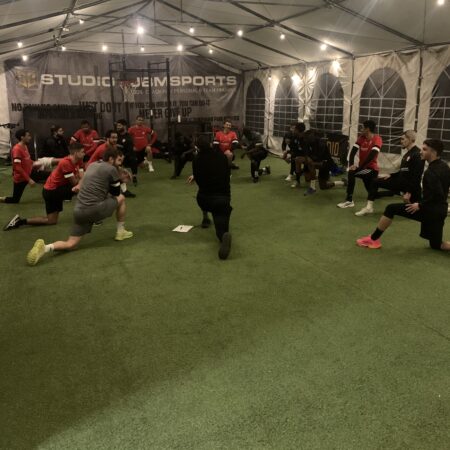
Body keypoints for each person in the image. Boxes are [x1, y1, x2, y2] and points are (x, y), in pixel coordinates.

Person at [26, 148, 133, 266]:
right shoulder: (111, 169)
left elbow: (87, 182)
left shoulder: (92, 165)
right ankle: (120, 231)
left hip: (78, 211)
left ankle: (45, 248)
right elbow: (116, 193)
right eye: (118, 160)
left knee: (71, 244)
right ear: (111, 159)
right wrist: (121, 181)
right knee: (121, 198)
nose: (119, 164)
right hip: (93, 209)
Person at [356, 139, 450, 251]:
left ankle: (373, 239)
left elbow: (437, 194)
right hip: (440, 211)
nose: (421, 151)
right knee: (436, 245)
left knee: (391, 208)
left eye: (424, 149)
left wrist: (420, 205)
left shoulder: (430, 172)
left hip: (431, 211)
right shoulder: (444, 166)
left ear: (433, 152)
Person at [4, 143, 85, 230]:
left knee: (51, 221)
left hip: (57, 188)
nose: (84, 153)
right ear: (76, 153)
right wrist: (81, 179)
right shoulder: (66, 163)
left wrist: (81, 179)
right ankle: (90, 216)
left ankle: (19, 221)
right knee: (82, 188)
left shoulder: (79, 161)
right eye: (82, 152)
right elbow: (75, 183)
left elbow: (82, 176)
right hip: (52, 192)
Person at [354, 129, 424, 216]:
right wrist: (391, 175)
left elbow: (417, 176)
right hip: (402, 183)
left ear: (410, 139)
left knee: (419, 210)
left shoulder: (417, 154)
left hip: (410, 187)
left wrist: (408, 192)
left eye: (403, 139)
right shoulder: (407, 154)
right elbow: (403, 171)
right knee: (375, 181)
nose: (401, 141)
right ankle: (369, 208)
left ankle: (398, 192)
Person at [188, 135, 232, 260]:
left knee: (203, 194)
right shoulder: (222, 157)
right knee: (221, 226)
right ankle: (223, 235)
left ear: (197, 148)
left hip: (204, 199)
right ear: (211, 144)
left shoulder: (196, 160)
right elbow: (227, 172)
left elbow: (198, 179)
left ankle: (205, 217)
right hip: (222, 200)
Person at [337, 119, 382, 209]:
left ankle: (349, 201)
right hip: (364, 168)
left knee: (352, 173)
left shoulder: (377, 139)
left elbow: (371, 156)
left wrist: (360, 168)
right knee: (373, 193)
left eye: (362, 127)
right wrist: (351, 165)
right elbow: (352, 152)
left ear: (367, 129)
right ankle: (394, 192)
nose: (361, 129)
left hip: (372, 170)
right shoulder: (361, 138)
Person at [302, 129, 346, 195]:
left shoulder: (321, 144)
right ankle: (342, 182)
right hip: (317, 162)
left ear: (312, 136)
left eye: (307, 137)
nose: (306, 139)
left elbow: (320, 159)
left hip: (325, 163)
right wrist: (307, 158)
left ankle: (312, 188)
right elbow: (306, 154)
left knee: (322, 186)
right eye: (306, 138)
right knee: (323, 186)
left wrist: (310, 161)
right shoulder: (308, 142)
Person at [0, 129, 35, 204]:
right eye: (28, 136)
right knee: (15, 200)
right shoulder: (17, 149)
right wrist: (29, 180)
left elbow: (28, 160)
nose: (30, 137)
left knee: (48, 175)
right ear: (22, 137)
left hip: (29, 173)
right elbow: (17, 167)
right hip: (21, 178)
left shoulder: (25, 146)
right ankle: (1, 198)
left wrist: (37, 163)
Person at [115, 119, 136, 197]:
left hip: (122, 158)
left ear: (124, 126)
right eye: (117, 125)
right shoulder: (115, 135)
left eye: (119, 125)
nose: (117, 127)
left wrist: (122, 157)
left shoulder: (128, 138)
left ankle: (124, 190)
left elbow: (130, 151)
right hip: (112, 157)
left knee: (119, 171)